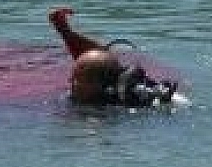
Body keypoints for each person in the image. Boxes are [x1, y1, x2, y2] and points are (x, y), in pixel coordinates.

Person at [49, 7, 180, 107]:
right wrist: (65, 31)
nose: (70, 81)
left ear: (97, 86)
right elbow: (98, 63)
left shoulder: (101, 112)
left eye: (77, 79)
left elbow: (97, 65)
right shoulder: (114, 89)